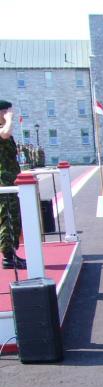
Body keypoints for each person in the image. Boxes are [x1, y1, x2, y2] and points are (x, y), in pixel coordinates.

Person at [0, 99, 25, 270]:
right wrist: (8, 120)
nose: (10, 114)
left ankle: (12, 254)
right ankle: (8, 258)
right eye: (6, 111)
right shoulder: (3, 130)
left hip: (10, 181)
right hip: (3, 183)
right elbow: (5, 133)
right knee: (6, 219)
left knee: (13, 219)